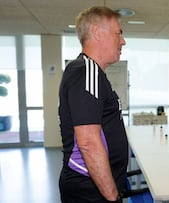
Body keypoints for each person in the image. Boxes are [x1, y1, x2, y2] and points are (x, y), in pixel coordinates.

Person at [58, 6, 127, 203]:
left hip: (93, 188)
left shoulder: (91, 72)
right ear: (97, 32)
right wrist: (112, 196)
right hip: (91, 191)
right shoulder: (86, 71)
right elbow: (88, 143)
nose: (123, 41)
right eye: (118, 33)